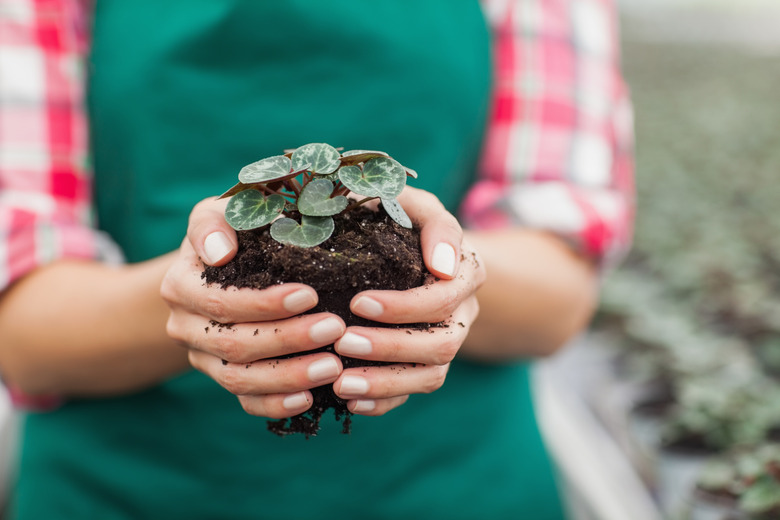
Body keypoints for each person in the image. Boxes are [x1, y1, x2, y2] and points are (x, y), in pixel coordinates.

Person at [0, 0, 633, 518]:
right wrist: (198, 296)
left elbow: (556, 286)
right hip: (126, 488)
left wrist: (432, 267)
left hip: (451, 486)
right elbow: (23, 328)